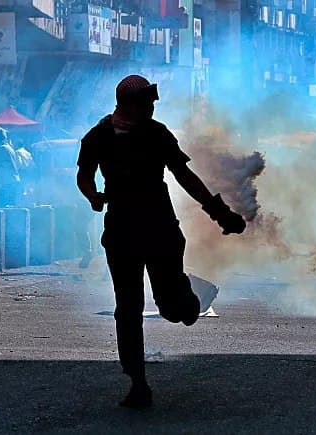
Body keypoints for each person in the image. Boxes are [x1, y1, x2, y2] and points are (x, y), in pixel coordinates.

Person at [76, 75, 246, 409]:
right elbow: (84, 175)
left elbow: (184, 176)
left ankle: (186, 299)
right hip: (122, 230)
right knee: (128, 309)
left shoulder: (157, 134)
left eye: (152, 104)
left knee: (173, 308)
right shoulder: (98, 136)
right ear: (128, 105)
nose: (151, 109)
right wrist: (92, 195)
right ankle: (137, 382)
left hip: (160, 228)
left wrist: (219, 212)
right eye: (145, 103)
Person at [0, 130, 22, 208]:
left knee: (1, 207)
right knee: (10, 208)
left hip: (8, 182)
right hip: (12, 181)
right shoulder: (9, 148)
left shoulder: (2, 149)